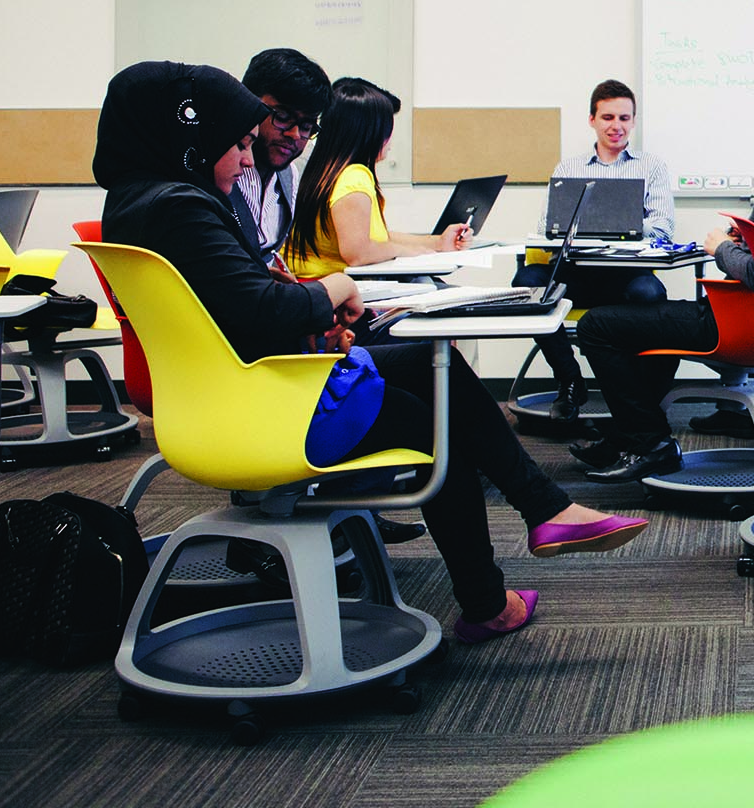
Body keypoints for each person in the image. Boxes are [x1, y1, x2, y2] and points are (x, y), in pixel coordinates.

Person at [97, 61, 647, 644]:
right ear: (190, 134)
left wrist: (310, 324)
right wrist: (336, 290)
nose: (242, 158)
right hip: (267, 409)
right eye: (233, 144)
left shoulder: (139, 202)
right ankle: (495, 590)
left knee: (428, 369)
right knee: (443, 419)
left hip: (240, 390)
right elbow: (264, 309)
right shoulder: (183, 208)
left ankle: (541, 514)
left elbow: (229, 311)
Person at [571, 59, 754, 481]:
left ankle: (650, 442)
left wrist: (722, 248)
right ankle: (630, 434)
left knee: (597, 325)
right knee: (650, 322)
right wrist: (748, 236)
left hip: (745, 325)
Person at [519, 78, 674, 422]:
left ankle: (637, 396)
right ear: (592, 119)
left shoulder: (652, 167)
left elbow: (663, 229)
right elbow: (550, 227)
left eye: (623, 118)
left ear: (633, 121)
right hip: (578, 274)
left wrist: (616, 225)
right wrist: (610, 226)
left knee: (651, 292)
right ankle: (570, 379)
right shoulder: (568, 169)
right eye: (607, 118)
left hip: (626, 275)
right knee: (527, 280)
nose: (616, 126)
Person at [281, 77, 473, 280]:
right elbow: (359, 253)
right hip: (339, 292)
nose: (390, 140)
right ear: (370, 134)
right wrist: (409, 252)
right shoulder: (354, 177)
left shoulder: (323, 170)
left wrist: (437, 243)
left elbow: (377, 237)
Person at [229, 48, 331, 262]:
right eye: (283, 116)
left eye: (306, 126)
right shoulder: (221, 170)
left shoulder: (289, 176)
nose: (294, 134)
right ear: (247, 102)